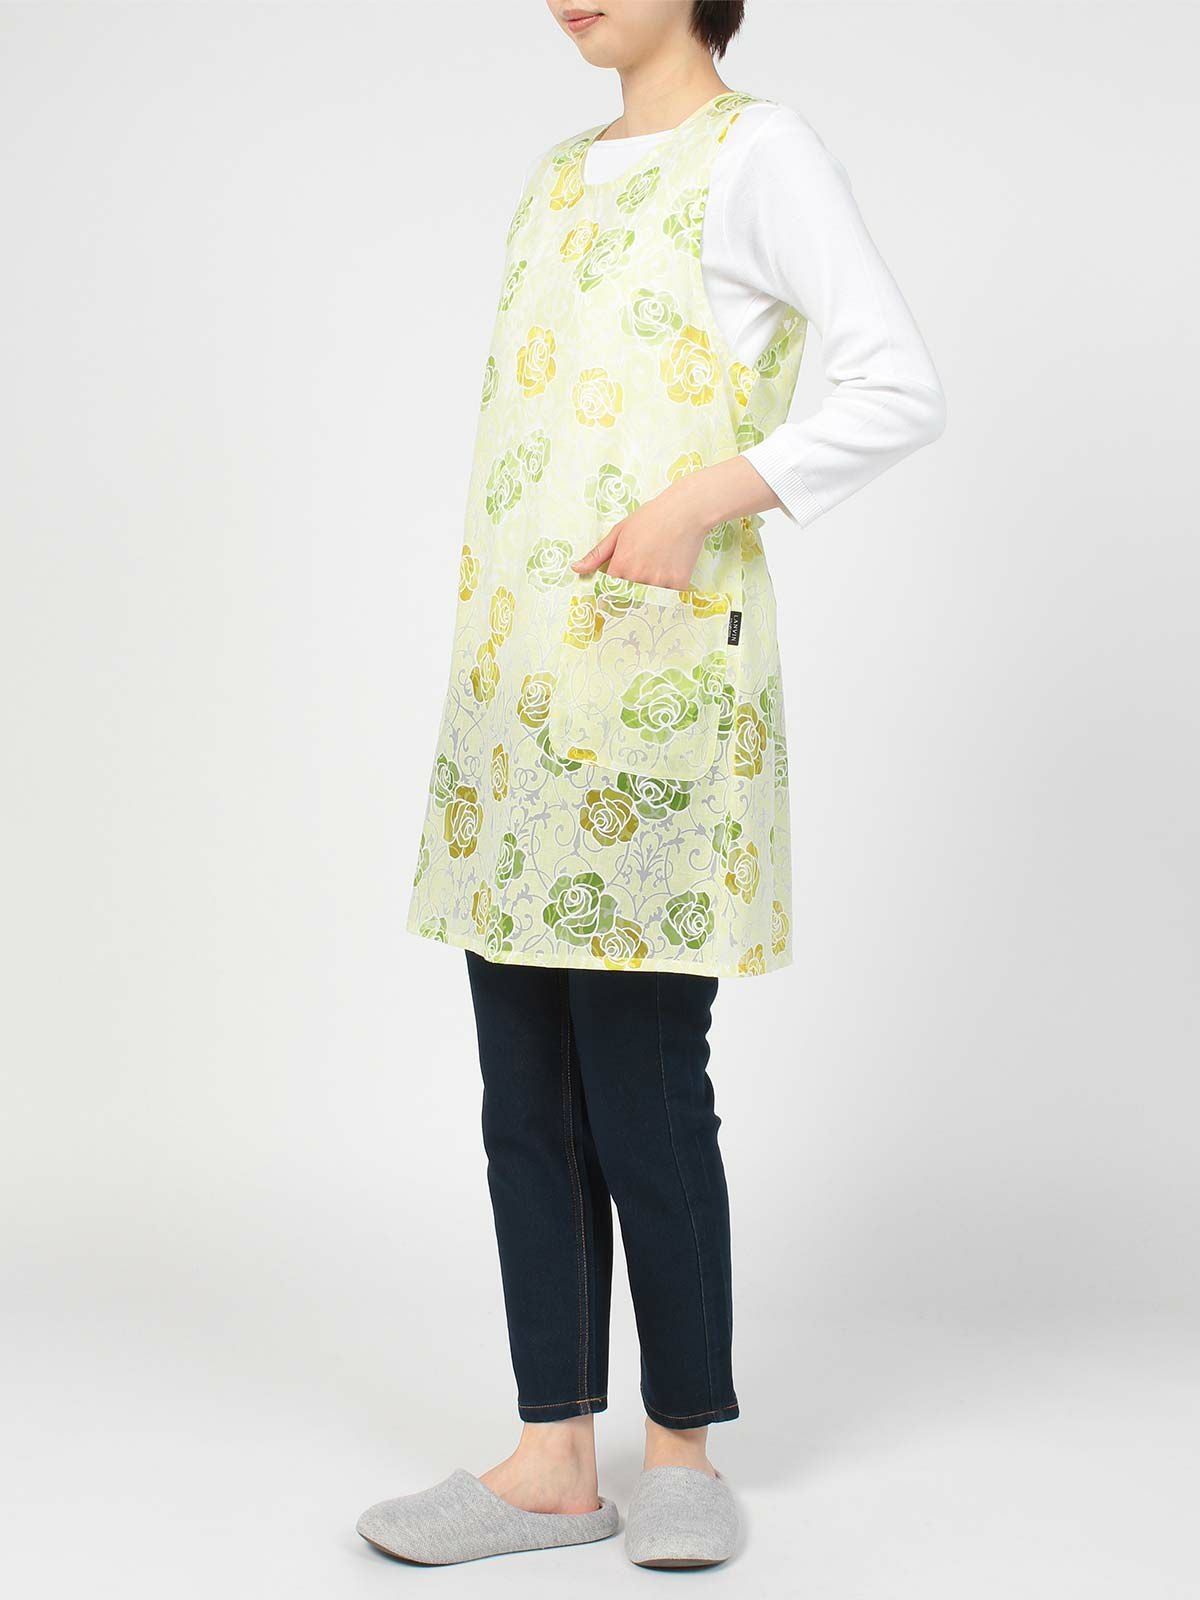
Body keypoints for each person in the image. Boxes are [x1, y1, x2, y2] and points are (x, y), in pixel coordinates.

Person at [357, 0, 945, 1570]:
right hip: (517, 696)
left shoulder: (760, 156)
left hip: (655, 694)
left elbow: (895, 384)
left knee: (642, 1085)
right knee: (524, 1097)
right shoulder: (553, 178)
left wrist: (705, 497)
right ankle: (553, 1456)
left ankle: (682, 1447)